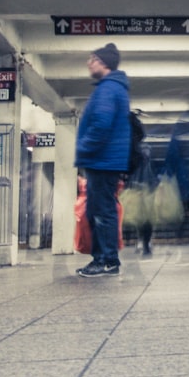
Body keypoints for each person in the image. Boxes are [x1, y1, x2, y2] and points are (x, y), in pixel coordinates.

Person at [75, 42, 131, 277]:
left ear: (104, 63)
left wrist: (82, 149)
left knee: (101, 211)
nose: (89, 63)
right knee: (99, 210)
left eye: (93, 59)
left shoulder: (108, 89)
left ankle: (106, 260)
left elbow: (101, 125)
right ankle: (105, 259)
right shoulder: (113, 88)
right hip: (106, 160)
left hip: (102, 160)